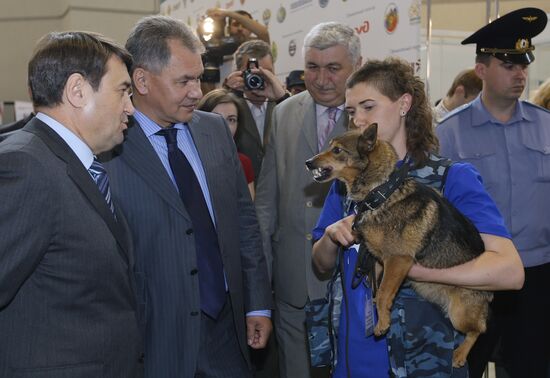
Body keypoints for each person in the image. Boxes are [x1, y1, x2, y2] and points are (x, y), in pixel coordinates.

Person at [312, 56, 524, 378]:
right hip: (354, 349)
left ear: (404, 104)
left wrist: (417, 268)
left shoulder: (450, 178)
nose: (358, 120)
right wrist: (330, 236)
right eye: (352, 111)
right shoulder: (348, 182)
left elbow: (509, 272)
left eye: (368, 107)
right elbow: (320, 264)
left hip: (423, 359)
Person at [102, 16, 272, 378]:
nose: (197, 92)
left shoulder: (213, 131)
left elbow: (243, 221)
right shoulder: (108, 146)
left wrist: (258, 305)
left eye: (198, 78)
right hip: (154, 338)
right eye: (185, 81)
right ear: (142, 80)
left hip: (228, 331)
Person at [0, 31, 142, 377]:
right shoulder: (26, 166)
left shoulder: (76, 163)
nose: (131, 108)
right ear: (77, 90)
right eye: (123, 91)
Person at [436, 7, 550, 378]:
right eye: (509, 65)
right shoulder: (449, 134)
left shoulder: (546, 126)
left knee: (531, 369)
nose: (520, 74)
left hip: (536, 278)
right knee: (462, 368)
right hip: (473, 276)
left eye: (523, 64)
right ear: (482, 69)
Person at [254, 22, 362, 378]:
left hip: (351, 283)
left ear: (356, 67)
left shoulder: (372, 120)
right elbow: (267, 202)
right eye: (312, 67)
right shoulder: (283, 112)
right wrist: (261, 279)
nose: (320, 78)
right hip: (291, 285)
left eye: (333, 68)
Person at [224, 39, 290, 179]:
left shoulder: (284, 104)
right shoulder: (228, 108)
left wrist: (281, 97)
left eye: (267, 72)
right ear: (238, 73)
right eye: (252, 72)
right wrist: (226, 91)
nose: (260, 78)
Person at [197, 88, 256, 199]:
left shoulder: (243, 163)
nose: (223, 125)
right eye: (215, 118)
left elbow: (248, 212)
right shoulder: (188, 159)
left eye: (231, 120)